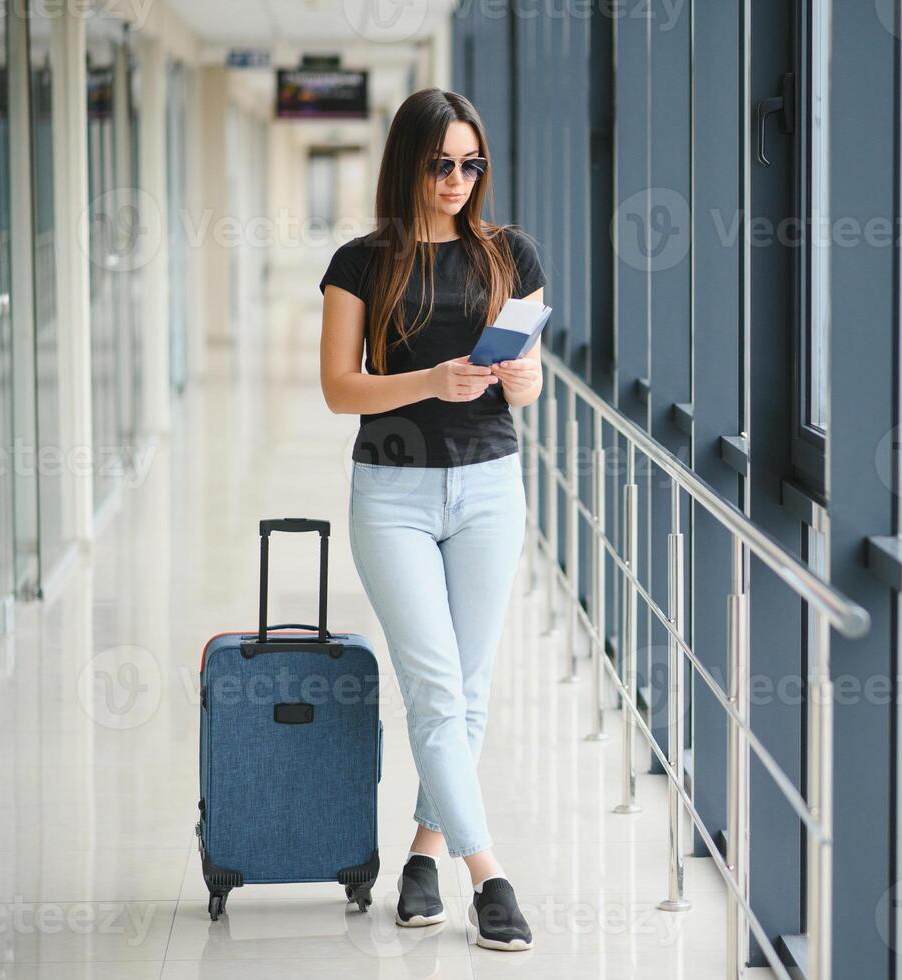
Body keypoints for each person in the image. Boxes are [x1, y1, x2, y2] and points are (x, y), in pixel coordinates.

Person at [317, 87, 544, 951]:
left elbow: (529, 373)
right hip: (395, 494)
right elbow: (340, 388)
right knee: (437, 690)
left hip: (489, 484)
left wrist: (523, 382)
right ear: (408, 163)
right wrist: (427, 380)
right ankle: (490, 876)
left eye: (471, 163)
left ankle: (422, 853)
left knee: (468, 689)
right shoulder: (361, 262)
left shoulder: (509, 254)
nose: (457, 179)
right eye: (441, 163)